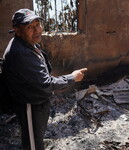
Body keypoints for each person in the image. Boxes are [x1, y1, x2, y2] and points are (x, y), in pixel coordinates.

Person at [3, 8, 87, 150]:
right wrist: (72, 77)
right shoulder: (21, 53)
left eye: (37, 25)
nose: (37, 30)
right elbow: (46, 84)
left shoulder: (28, 43)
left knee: (36, 139)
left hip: (37, 102)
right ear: (17, 30)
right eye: (29, 27)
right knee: (33, 145)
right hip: (30, 105)